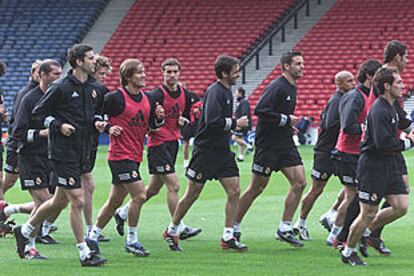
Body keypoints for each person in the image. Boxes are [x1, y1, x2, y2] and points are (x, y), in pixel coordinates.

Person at [13, 44, 106, 266]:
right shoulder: (61, 87)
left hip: (83, 150)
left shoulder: (95, 87)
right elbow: (40, 113)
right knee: (78, 199)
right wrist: (58, 125)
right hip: (62, 152)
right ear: (78, 62)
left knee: (58, 200)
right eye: (91, 58)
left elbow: (97, 112)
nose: (95, 61)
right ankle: (84, 252)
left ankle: (24, 231)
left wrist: (99, 122)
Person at [163, 55, 249, 252]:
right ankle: (172, 229)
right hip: (206, 151)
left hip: (223, 151)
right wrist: (236, 123)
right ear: (224, 73)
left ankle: (228, 237)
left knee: (234, 191)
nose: (238, 74)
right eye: (235, 71)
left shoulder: (228, 91)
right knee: (192, 193)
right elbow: (211, 121)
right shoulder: (215, 92)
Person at [335, 40, 411, 256]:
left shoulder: (389, 92)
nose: (402, 85)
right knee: (366, 207)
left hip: (389, 151)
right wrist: (408, 139)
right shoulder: (383, 86)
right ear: (397, 57)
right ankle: (346, 240)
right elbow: (380, 126)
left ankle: (368, 234)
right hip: (378, 154)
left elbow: (399, 116)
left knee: (399, 201)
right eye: (405, 57)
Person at [114, 58, 201, 240]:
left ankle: (122, 212)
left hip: (172, 143)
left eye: (175, 72)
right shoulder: (154, 96)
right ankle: (178, 226)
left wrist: (184, 121)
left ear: (179, 73)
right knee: (174, 185)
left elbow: (186, 117)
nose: (171, 75)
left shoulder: (185, 94)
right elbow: (147, 120)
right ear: (162, 73)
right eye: (168, 72)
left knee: (152, 190)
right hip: (158, 144)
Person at [86, 58, 164, 258]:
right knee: (139, 195)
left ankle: (92, 236)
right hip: (120, 155)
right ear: (128, 76)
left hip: (136, 154)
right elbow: (95, 117)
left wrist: (160, 118)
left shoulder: (148, 99)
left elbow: (153, 127)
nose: (144, 75)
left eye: (144, 71)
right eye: (139, 72)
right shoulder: (115, 98)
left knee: (115, 201)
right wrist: (109, 127)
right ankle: (132, 240)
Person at [234, 51, 306, 247]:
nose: (302, 67)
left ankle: (284, 227)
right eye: (298, 64)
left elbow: (277, 114)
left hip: (285, 144)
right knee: (257, 188)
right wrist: (284, 119)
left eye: (302, 63)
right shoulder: (278, 86)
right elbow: (261, 110)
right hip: (268, 146)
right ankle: (234, 227)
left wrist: (286, 124)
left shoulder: (292, 86)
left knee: (300, 183)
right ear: (286, 66)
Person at [7, 60, 63, 258]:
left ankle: (10, 212)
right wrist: (42, 133)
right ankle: (28, 245)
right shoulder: (28, 98)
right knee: (44, 202)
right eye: (55, 74)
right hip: (30, 157)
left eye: (60, 73)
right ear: (42, 75)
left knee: (55, 202)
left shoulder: (57, 98)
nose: (59, 77)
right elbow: (17, 133)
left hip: (51, 157)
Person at [326, 59, 382, 246]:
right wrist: (369, 129)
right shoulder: (354, 96)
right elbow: (348, 126)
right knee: (353, 195)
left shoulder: (369, 96)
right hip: (347, 153)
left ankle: (340, 232)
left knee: (356, 194)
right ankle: (336, 233)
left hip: (357, 153)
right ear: (369, 76)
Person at [293, 71, 355, 240]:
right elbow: (329, 123)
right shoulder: (336, 101)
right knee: (317, 189)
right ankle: (300, 223)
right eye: (349, 81)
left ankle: (331, 213)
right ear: (339, 84)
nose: (353, 83)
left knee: (352, 187)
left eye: (353, 80)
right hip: (326, 152)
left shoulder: (345, 99)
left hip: (339, 151)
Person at [1, 60, 42, 200]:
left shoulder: (40, 92)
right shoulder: (26, 93)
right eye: (38, 72)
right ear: (33, 73)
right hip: (18, 143)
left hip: (31, 144)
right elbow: (18, 123)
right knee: (9, 181)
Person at [82, 55, 112, 242]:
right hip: (80, 143)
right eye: (101, 73)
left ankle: (40, 226)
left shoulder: (100, 90)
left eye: (105, 73)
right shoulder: (93, 89)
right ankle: (89, 230)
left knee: (60, 195)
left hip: (89, 142)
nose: (103, 77)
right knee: (86, 186)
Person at [232, 87, 253, 161]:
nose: (235, 94)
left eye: (236, 92)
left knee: (234, 137)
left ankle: (249, 146)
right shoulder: (241, 102)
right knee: (240, 139)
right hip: (243, 123)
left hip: (243, 123)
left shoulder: (243, 102)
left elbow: (245, 113)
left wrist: (240, 124)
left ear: (240, 93)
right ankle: (241, 156)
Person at [181, 100, 201, 168]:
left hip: (196, 122)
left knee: (198, 142)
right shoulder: (182, 97)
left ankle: (196, 159)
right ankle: (186, 161)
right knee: (186, 142)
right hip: (187, 122)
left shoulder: (194, 96)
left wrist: (197, 110)